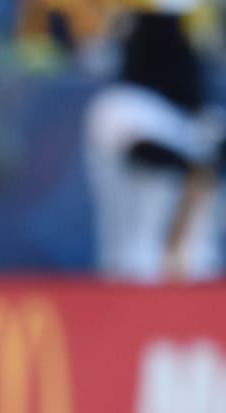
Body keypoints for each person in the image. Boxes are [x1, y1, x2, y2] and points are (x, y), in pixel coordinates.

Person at [83, 6, 225, 282]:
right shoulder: (117, 107)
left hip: (199, 273)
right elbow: (146, 154)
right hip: (135, 269)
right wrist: (198, 164)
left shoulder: (202, 119)